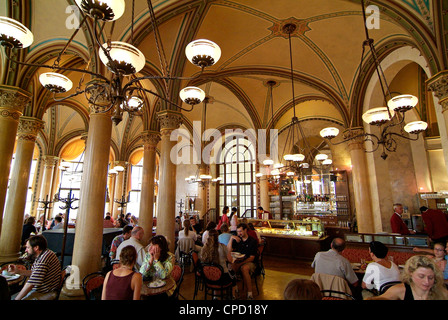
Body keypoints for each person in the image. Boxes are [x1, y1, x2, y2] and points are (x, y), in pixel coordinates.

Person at [367, 255, 448, 300]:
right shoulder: (400, 290)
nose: (426, 281)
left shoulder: (442, 293)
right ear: (410, 273)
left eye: (431, 278)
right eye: (421, 276)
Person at [10, 235, 61, 300]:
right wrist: (18, 271)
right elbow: (34, 273)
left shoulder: (44, 259)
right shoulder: (43, 254)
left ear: (36, 247)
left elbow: (31, 284)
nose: (26, 250)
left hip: (46, 292)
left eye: (28, 248)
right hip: (41, 290)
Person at [200, 229, 236, 295]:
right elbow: (230, 260)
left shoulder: (204, 249)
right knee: (233, 275)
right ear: (218, 237)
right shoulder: (222, 247)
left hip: (208, 278)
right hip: (222, 278)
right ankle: (233, 295)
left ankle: (215, 296)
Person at [227, 223, 258, 300]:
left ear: (245, 230)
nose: (239, 233)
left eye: (240, 231)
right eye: (238, 232)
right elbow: (228, 251)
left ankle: (250, 294)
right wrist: (231, 239)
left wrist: (240, 264)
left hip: (249, 262)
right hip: (238, 261)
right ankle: (234, 291)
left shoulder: (252, 241)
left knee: (244, 269)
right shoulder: (237, 239)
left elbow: (252, 258)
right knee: (230, 267)